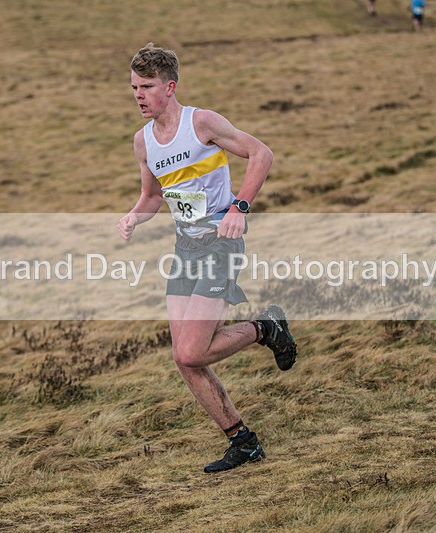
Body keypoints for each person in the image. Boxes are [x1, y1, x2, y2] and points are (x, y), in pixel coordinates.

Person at [118, 43, 298, 474]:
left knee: (194, 350)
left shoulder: (201, 123)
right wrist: (132, 217)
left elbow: (262, 153)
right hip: (186, 250)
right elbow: (151, 196)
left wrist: (239, 208)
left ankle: (265, 328)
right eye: (133, 88)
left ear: (170, 87)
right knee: (184, 358)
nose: (138, 95)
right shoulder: (143, 142)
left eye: (146, 87)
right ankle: (243, 442)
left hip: (220, 244)